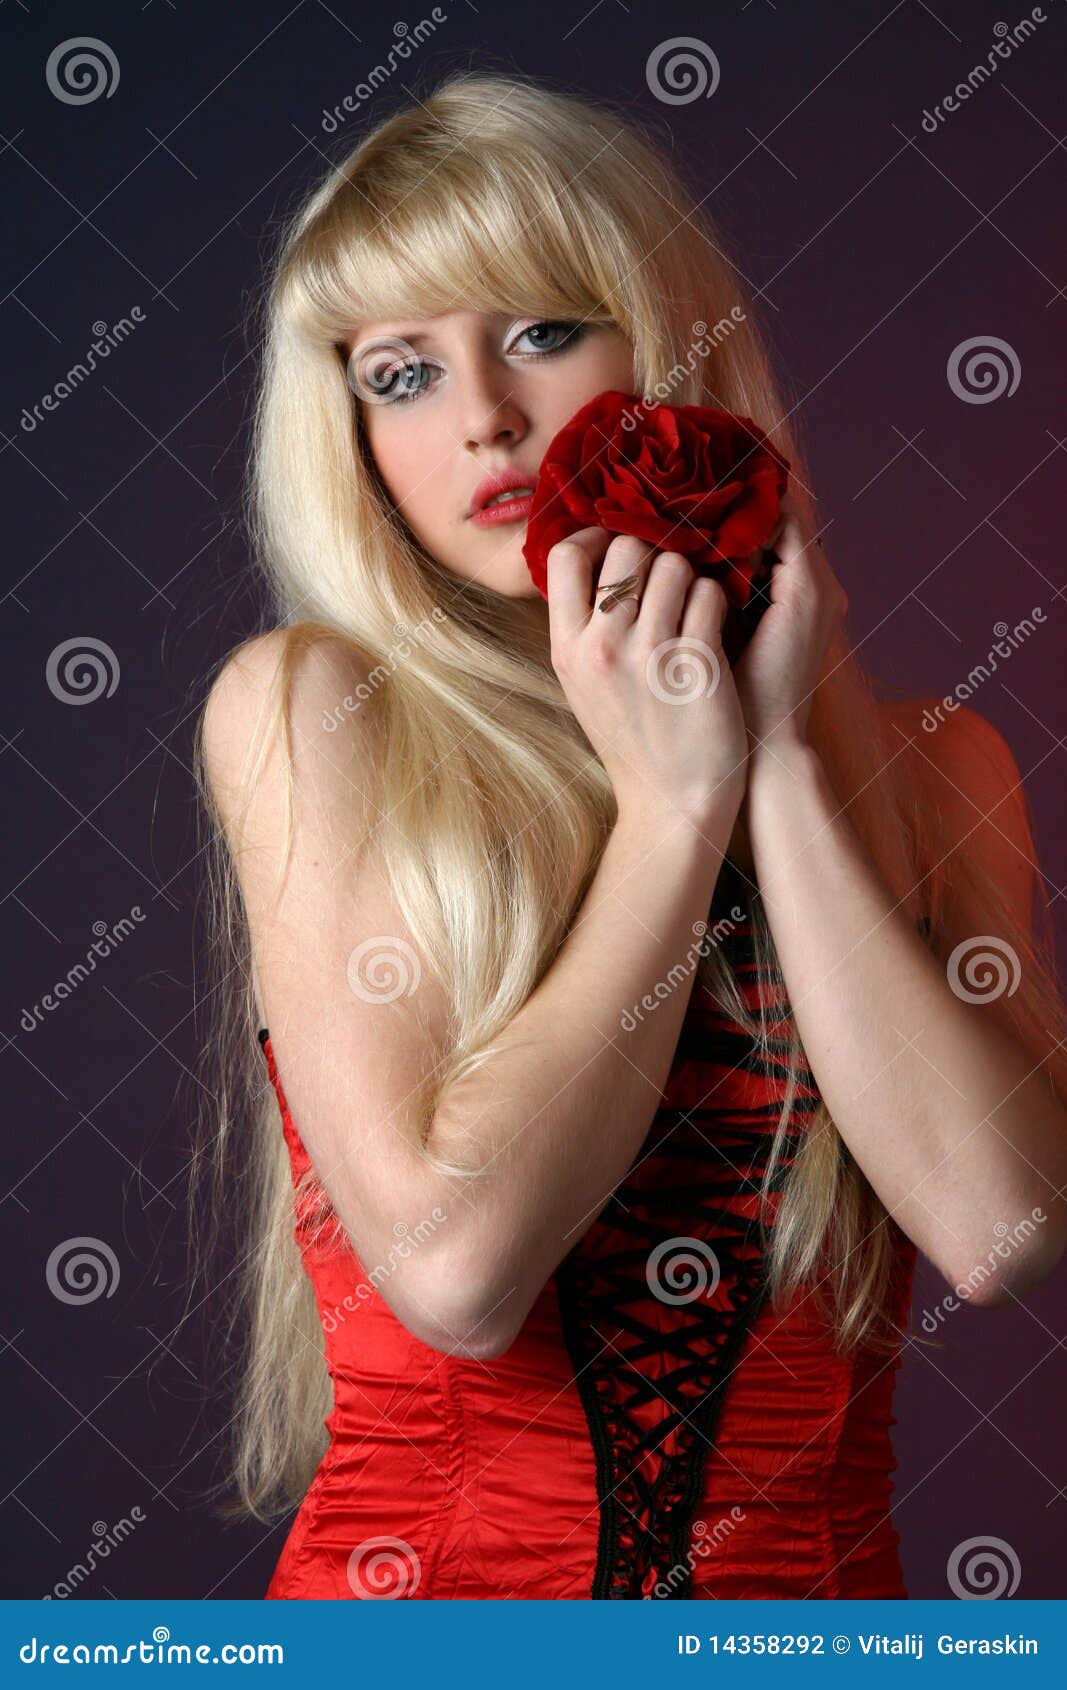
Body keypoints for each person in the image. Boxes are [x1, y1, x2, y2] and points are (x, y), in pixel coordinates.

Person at [190, 69, 1067, 1600]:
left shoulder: (939, 764)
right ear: (349, 432)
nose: (482, 419)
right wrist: (672, 809)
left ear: (667, 346)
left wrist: (780, 759)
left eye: (538, 330)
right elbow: (460, 1274)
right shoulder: (308, 715)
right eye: (398, 372)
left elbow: (1002, 1226)